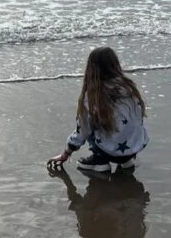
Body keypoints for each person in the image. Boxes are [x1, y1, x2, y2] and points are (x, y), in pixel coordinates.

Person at [47, 46, 149, 174]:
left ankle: (100, 160)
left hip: (109, 151)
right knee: (126, 117)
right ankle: (126, 160)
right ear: (115, 64)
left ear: (91, 69)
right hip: (135, 147)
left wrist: (66, 153)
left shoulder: (92, 95)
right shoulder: (129, 87)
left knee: (90, 122)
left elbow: (83, 131)